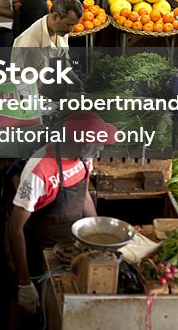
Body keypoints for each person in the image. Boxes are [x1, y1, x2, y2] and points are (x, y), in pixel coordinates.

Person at [8, 111, 117, 315]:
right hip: (42, 254)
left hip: (73, 248)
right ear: (84, 144)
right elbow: (15, 229)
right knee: (47, 312)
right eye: (99, 143)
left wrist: (98, 237)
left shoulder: (84, 159)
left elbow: (83, 197)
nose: (101, 148)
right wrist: (24, 282)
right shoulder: (39, 170)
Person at [11, 0, 86, 92]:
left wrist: (74, 80)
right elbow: (19, 81)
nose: (71, 30)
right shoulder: (29, 43)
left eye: (74, 25)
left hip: (52, 91)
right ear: (54, 16)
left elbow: (64, 60)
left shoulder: (60, 31)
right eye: (68, 24)